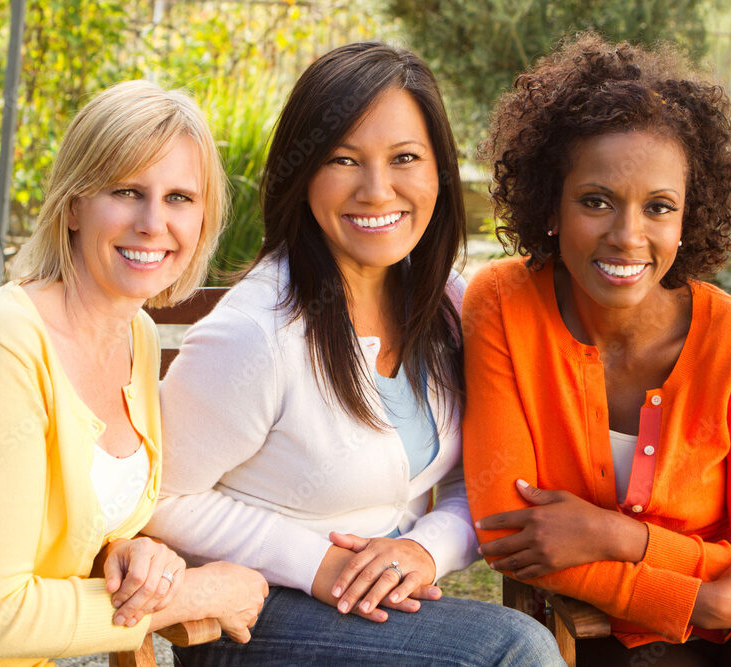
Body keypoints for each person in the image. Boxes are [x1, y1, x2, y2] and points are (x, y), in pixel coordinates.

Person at [145, 42, 563, 665]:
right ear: (304, 175)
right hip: (252, 616)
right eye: (344, 160)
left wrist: (426, 549)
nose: (376, 189)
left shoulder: (448, 305)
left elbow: (475, 476)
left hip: (378, 614)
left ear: (439, 172)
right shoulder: (258, 332)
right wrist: (315, 563)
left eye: (405, 158)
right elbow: (157, 499)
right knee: (515, 651)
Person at [462, 32, 731, 666]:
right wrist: (693, 602)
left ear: (687, 220)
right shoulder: (502, 304)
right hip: (614, 621)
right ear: (551, 206)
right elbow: (510, 532)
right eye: (596, 201)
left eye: (659, 207)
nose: (628, 236)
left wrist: (615, 535)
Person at [0, 80, 268, 665]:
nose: (153, 222)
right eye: (127, 191)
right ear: (73, 206)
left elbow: (69, 517)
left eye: (179, 198)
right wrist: (194, 592)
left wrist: (127, 550)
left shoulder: (137, 334)